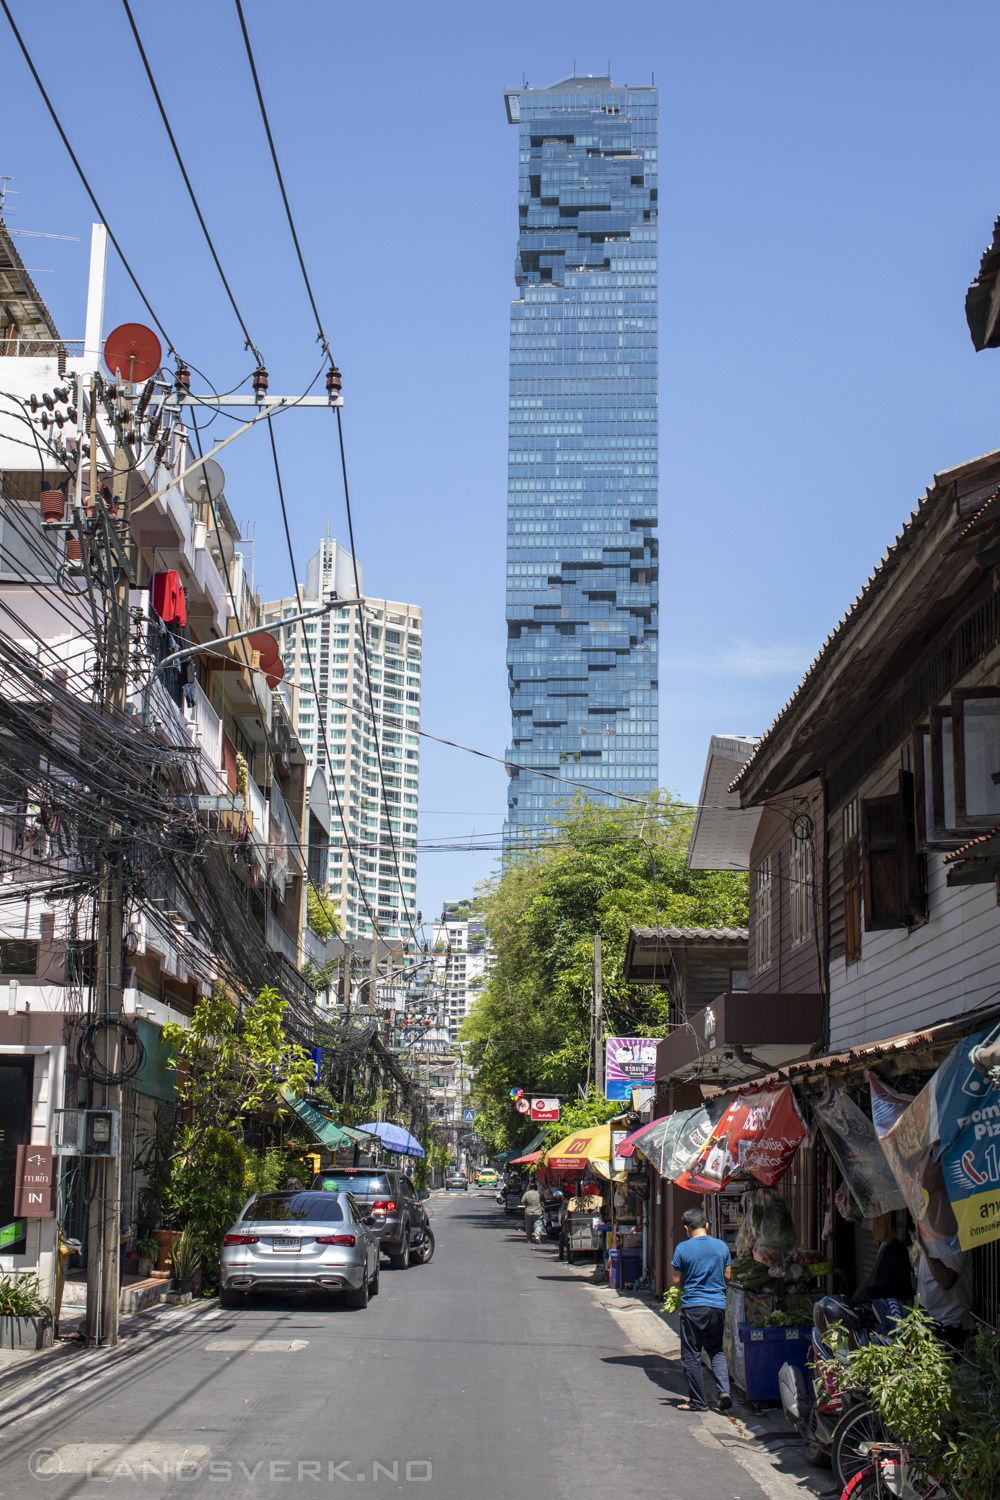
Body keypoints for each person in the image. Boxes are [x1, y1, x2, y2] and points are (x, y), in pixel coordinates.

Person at [671, 1205, 732, 1412]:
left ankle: (698, 1402)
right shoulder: (722, 1246)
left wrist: (687, 1290)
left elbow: (677, 1279)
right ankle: (724, 1391)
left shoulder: (682, 1248)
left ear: (687, 1228)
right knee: (715, 1350)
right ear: (707, 1225)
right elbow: (728, 1276)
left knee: (691, 1355)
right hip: (717, 1307)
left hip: (693, 1307)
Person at [913, 1239, 973, 1351]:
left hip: (950, 1322)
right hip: (928, 1320)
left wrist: (926, 1250)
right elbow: (926, 1284)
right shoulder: (929, 1242)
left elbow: (946, 1281)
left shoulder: (954, 1241)